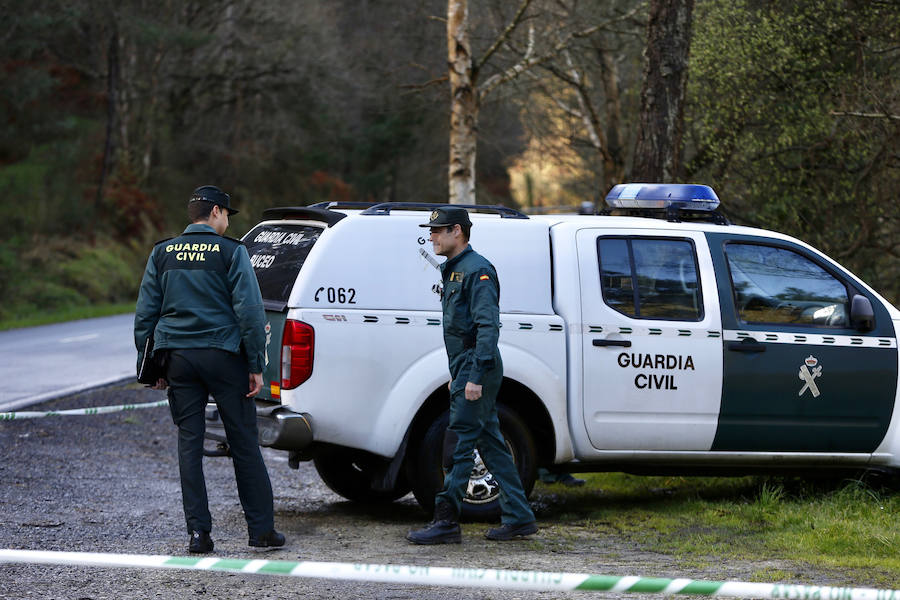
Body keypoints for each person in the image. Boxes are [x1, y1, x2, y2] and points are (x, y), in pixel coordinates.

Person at [134, 185, 285, 554]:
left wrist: (149, 365)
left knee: (190, 445)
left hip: (179, 360)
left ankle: (198, 535)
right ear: (216, 212)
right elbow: (250, 313)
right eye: (226, 216)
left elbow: (145, 316)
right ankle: (261, 533)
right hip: (224, 356)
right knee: (244, 444)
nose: (225, 222)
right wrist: (255, 364)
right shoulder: (232, 252)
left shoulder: (162, 252)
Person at [407, 207, 537, 545]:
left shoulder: (477, 271)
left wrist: (474, 376)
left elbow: (486, 327)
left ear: (457, 232)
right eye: (431, 231)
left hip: (478, 368)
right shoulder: (455, 270)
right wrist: (460, 374)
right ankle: (520, 517)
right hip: (467, 367)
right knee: (492, 445)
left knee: (460, 443)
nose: (432, 236)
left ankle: (447, 520)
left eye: (437, 231)